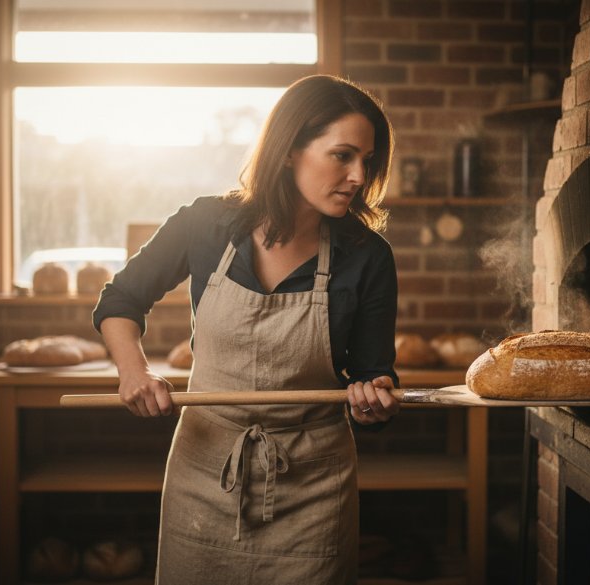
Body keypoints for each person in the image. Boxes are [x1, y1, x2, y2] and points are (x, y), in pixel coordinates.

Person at [92, 74, 400, 584]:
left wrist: (374, 401)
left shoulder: (367, 256)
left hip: (313, 485)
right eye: (342, 156)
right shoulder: (205, 225)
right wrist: (133, 371)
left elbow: (372, 375)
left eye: (368, 161)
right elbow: (120, 301)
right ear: (288, 150)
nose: (359, 176)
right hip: (205, 471)